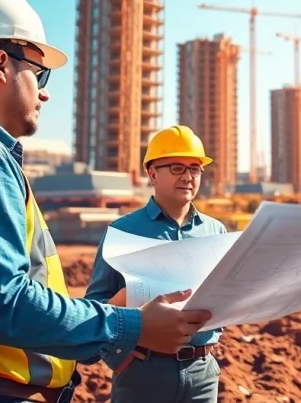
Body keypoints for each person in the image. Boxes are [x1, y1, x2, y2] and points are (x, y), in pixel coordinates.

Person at [0, 0, 212, 403]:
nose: (46, 92)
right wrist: (132, 326)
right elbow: (4, 304)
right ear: (1, 63)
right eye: (40, 73)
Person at [85, 125, 228, 403]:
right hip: (142, 373)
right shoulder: (122, 231)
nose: (188, 176)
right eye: (176, 167)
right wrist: (118, 358)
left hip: (201, 374)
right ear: (152, 174)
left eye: (195, 168)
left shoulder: (216, 231)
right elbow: (96, 304)